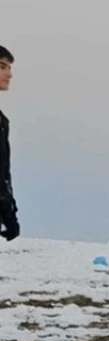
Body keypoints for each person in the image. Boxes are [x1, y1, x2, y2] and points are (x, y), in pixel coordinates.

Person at [0, 45, 18, 243]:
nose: (9, 74)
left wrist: (9, 210)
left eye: (9, 68)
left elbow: (3, 171)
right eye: (2, 67)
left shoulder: (2, 121)